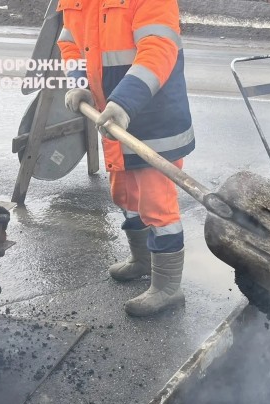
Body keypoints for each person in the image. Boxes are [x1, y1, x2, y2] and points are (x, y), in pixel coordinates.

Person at [58, 0, 195, 316]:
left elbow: (158, 49)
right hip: (112, 120)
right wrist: (79, 84)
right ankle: (143, 260)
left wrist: (123, 102)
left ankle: (167, 287)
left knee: (156, 205)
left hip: (153, 119)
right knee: (125, 195)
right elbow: (70, 43)